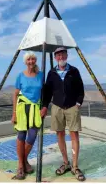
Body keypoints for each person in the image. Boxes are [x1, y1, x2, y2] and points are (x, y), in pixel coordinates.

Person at [41, 47, 86, 181]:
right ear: (55, 57)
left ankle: (75, 166)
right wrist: (44, 106)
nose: (61, 57)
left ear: (66, 55)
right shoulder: (52, 73)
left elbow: (80, 89)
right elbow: (47, 92)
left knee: (74, 134)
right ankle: (65, 163)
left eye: (63, 54)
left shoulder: (74, 71)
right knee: (59, 134)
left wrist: (78, 103)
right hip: (57, 107)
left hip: (72, 107)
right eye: (58, 55)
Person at [11, 51, 43, 180]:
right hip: (22, 108)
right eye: (28, 60)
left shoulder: (41, 75)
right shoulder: (20, 76)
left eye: (33, 59)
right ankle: (21, 165)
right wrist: (14, 113)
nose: (31, 62)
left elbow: (43, 92)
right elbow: (15, 94)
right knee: (21, 135)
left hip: (35, 108)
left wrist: (44, 107)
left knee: (33, 135)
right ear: (25, 62)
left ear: (35, 61)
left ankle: (23, 160)